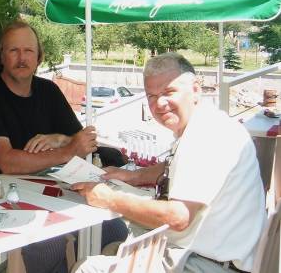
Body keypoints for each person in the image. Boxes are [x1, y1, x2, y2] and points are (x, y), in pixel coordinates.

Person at [71, 52, 266, 273]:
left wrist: (110, 199)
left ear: (195, 89)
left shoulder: (207, 134)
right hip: (215, 257)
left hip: (207, 264)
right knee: (114, 249)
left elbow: (178, 216)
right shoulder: (208, 123)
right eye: (151, 96)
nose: (160, 104)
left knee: (89, 267)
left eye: (168, 92)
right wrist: (132, 176)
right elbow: (180, 167)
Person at [0, 20, 127, 273]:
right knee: (51, 244)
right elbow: (7, 162)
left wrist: (61, 140)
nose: (22, 58)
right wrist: (67, 150)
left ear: (39, 57)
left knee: (114, 228)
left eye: (28, 51)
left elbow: (82, 141)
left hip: (45, 190)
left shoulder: (48, 90)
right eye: (13, 50)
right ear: (1, 56)